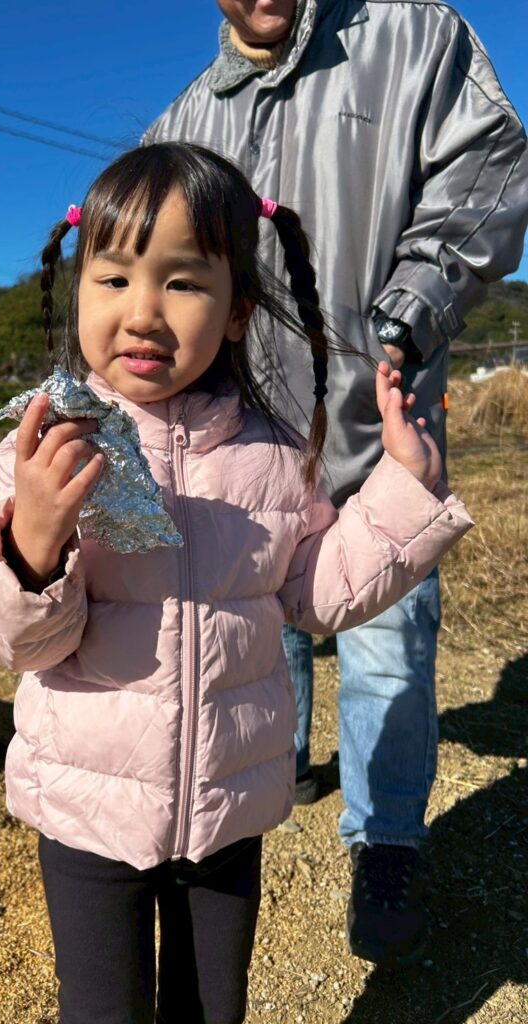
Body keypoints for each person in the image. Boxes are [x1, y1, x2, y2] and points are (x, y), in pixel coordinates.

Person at [0, 142, 471, 1024]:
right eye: (114, 279)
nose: (143, 312)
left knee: (213, 1008)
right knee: (103, 1010)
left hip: (227, 805)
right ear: (78, 292)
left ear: (237, 313)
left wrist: (404, 487)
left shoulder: (273, 456)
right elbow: (6, 638)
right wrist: (32, 543)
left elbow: (314, 593)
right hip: (88, 809)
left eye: (183, 282)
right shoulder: (47, 447)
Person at [145, 0, 528, 968]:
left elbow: (491, 164)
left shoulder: (411, 36)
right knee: (269, 624)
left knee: (388, 642)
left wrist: (414, 305)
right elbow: (143, 268)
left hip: (375, 426)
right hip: (245, 449)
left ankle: (386, 843)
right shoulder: (182, 122)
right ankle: (289, 763)